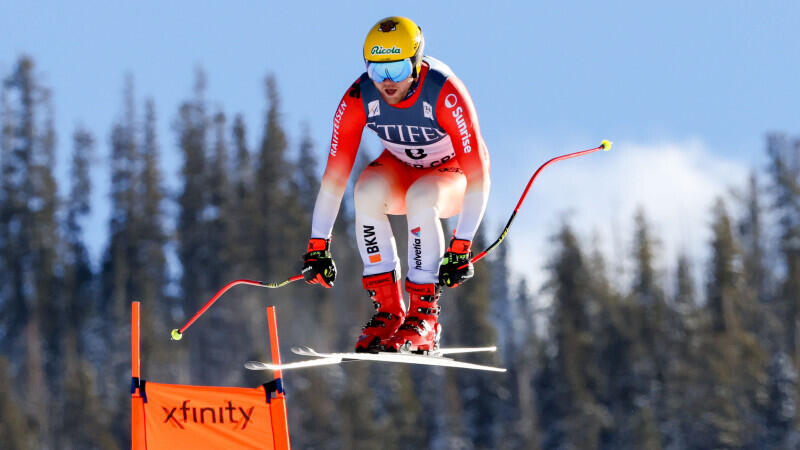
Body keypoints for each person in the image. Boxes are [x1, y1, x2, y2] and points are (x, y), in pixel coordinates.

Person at [301, 16, 491, 353]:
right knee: (366, 191)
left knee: (422, 197)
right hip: (403, 168)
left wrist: (461, 246)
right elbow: (333, 180)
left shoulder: (444, 93)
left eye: (399, 70)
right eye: (378, 70)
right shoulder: (359, 98)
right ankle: (389, 311)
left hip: (454, 176)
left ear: (417, 64)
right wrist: (318, 245)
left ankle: (425, 318)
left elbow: (479, 175)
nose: (387, 82)